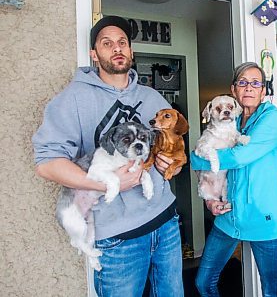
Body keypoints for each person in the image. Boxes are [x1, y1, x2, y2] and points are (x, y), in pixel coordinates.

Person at [32, 16, 184, 296]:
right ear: (94, 53)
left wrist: (168, 164)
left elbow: (172, 147)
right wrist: (105, 184)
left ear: (131, 51)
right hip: (117, 240)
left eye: (122, 42)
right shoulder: (74, 98)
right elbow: (47, 163)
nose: (117, 48)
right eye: (107, 43)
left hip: (166, 223)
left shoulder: (153, 98)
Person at [191, 62, 277, 297]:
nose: (249, 88)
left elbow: (239, 157)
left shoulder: (272, 118)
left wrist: (195, 161)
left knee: (271, 291)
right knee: (204, 282)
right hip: (229, 215)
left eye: (256, 83)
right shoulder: (231, 122)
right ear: (233, 90)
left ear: (263, 91)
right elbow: (214, 167)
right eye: (242, 82)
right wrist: (210, 201)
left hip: (264, 218)